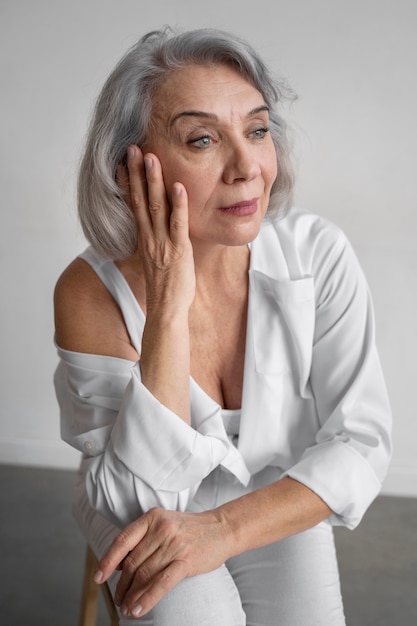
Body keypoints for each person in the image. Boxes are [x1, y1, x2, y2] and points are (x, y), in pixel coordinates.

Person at [54, 27, 392, 625]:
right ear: (131, 167)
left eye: (258, 130)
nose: (247, 167)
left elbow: (360, 445)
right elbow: (140, 499)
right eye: (203, 139)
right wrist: (166, 307)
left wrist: (222, 530)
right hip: (134, 498)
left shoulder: (318, 255)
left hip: (273, 490)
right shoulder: (89, 291)